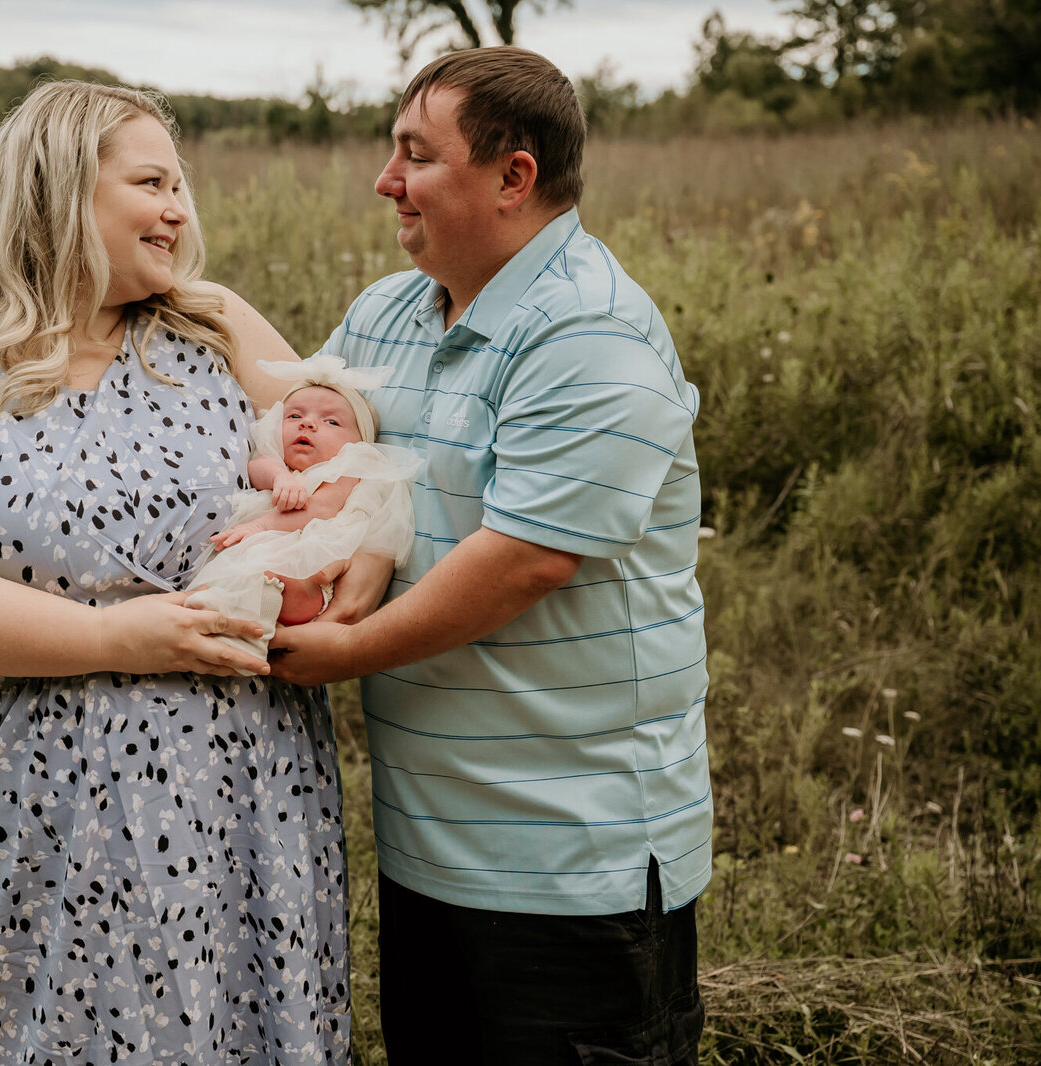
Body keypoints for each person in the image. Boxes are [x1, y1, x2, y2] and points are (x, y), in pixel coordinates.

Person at [0, 81, 350, 1066]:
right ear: (59, 187)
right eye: (151, 182)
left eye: (181, 186)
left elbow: (346, 459)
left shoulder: (213, 331)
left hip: (240, 807)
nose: (179, 210)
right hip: (35, 822)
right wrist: (115, 638)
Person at [268, 47, 712, 1064]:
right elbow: (308, 439)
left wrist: (344, 651)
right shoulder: (386, 314)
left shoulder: (589, 335)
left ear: (513, 178)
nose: (385, 181)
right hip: (428, 846)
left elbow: (524, 559)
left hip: (568, 859)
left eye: (414, 155)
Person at [185, 354, 422, 665]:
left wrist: (260, 526)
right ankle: (216, 613)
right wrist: (281, 477)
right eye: (294, 416)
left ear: (359, 440)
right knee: (229, 577)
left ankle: (250, 636)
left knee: (278, 575)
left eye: (331, 421)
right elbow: (257, 469)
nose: (308, 423)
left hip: (313, 568)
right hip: (268, 552)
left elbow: (321, 508)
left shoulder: (352, 467)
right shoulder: (278, 462)